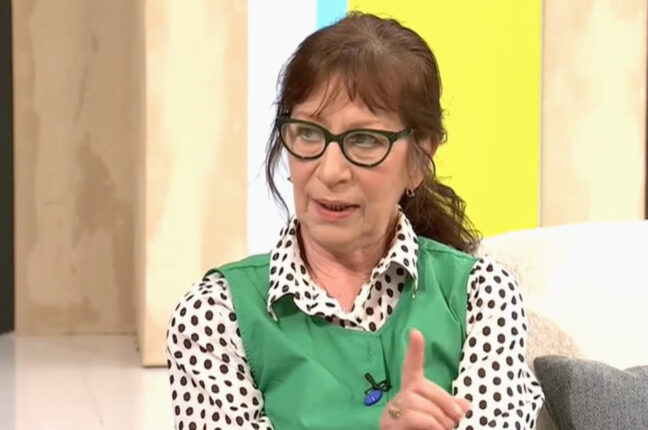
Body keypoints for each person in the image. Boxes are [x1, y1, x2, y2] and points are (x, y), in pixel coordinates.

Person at [167, 12, 544, 430]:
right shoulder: (215, 314)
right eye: (308, 133)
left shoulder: (483, 296)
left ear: (420, 159)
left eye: (364, 140)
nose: (330, 171)